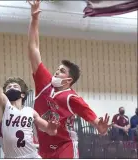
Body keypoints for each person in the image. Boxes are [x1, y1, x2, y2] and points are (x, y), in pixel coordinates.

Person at [27, 0, 111, 158]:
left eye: (61, 71)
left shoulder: (72, 98)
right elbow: (33, 49)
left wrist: (100, 126)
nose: (56, 72)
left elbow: (92, 118)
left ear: (68, 80)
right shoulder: (45, 83)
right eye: (57, 69)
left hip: (65, 146)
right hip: (45, 148)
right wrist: (34, 18)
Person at [0, 29, 59, 158]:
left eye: (15, 86)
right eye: (8, 87)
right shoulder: (3, 106)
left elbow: (50, 130)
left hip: (32, 156)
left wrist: (52, 127)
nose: (11, 88)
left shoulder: (31, 111)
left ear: (23, 94)